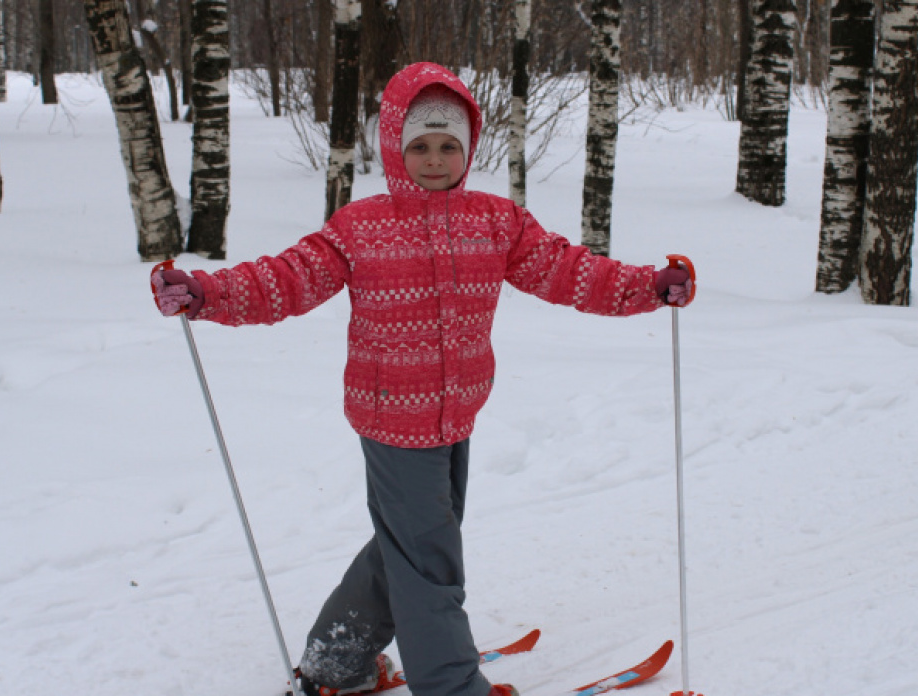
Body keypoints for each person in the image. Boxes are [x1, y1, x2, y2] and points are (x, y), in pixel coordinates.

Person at [151, 62, 693, 696]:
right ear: (394, 148)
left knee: (407, 549)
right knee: (431, 562)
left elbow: (568, 271)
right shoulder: (361, 227)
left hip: (456, 413)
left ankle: (337, 662)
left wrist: (646, 288)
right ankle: (450, 684)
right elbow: (286, 278)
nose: (433, 160)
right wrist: (207, 292)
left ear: (466, 150)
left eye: (447, 146)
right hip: (390, 419)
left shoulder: (496, 221)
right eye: (419, 146)